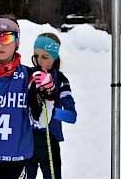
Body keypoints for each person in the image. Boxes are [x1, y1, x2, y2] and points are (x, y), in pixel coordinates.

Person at [0, 15, 56, 179]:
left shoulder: (29, 76)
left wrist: (49, 94)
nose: (0, 44)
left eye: (6, 37)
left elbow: (42, 121)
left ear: (17, 42)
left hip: (15, 161)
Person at [26, 33, 77, 179]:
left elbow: (72, 116)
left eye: (45, 57)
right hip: (27, 141)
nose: (39, 61)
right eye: (36, 55)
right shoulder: (28, 74)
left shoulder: (59, 79)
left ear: (54, 58)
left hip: (50, 140)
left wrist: (49, 111)